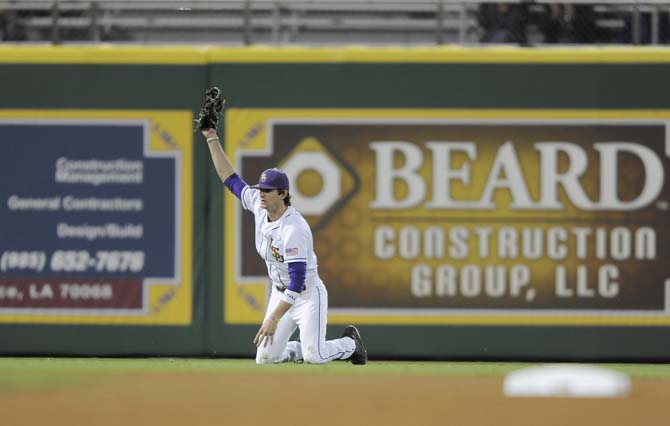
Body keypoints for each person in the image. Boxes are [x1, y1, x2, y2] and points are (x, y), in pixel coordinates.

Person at [201, 127, 367, 365]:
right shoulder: (260, 206)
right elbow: (229, 178)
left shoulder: (294, 229)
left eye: (268, 191)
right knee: (266, 359)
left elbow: (297, 281)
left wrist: (273, 319)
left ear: (283, 194)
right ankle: (299, 349)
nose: (262, 194)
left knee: (315, 356)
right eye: (261, 189)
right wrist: (211, 138)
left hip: (307, 294)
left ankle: (350, 344)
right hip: (280, 293)